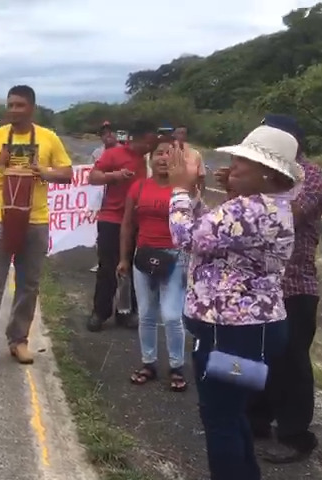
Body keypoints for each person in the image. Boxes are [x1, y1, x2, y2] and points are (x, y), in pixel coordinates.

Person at [168, 125, 301, 480]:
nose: (233, 165)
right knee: (232, 410)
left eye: (244, 161)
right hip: (257, 335)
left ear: (267, 172)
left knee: (220, 418)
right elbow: (212, 232)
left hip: (233, 337)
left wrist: (179, 189)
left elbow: (185, 236)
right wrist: (202, 194)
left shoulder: (248, 210)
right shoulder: (271, 205)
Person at [0, 85, 72, 371]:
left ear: (32, 107)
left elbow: (67, 173)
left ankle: (18, 340)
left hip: (36, 220)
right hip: (0, 219)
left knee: (28, 285)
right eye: (10, 105)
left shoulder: (48, 138)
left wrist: (44, 172)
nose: (14, 110)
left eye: (20, 105)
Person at [245, 114, 322, 463]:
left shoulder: (310, 176)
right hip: (262, 285)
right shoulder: (264, 174)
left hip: (295, 286)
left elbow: (287, 216)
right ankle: (257, 420)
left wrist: (252, 190)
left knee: (292, 363)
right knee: (259, 356)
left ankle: (296, 435)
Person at [117, 141, 187, 391]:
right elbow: (127, 224)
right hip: (143, 257)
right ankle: (149, 363)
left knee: (171, 315)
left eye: (170, 154)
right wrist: (124, 259)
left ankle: (177, 366)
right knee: (146, 314)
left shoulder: (184, 191)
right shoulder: (138, 187)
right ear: (151, 159)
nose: (164, 158)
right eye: (159, 153)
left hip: (175, 257)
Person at [86, 120, 157, 332]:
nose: (150, 147)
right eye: (147, 142)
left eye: (152, 144)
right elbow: (93, 177)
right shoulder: (113, 154)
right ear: (136, 138)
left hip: (137, 221)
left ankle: (126, 312)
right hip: (112, 219)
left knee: (134, 269)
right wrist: (114, 176)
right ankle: (100, 312)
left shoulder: (149, 160)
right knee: (108, 268)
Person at [89, 121, 119, 273]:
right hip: (101, 196)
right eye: (104, 133)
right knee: (100, 230)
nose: (108, 136)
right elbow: (89, 173)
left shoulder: (124, 151)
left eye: (110, 132)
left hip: (119, 197)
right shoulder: (97, 153)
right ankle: (102, 261)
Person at [171, 124, 206, 192]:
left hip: (189, 194)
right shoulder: (167, 153)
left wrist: (199, 195)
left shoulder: (195, 154)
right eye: (179, 133)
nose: (181, 136)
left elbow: (201, 178)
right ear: (173, 135)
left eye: (184, 134)